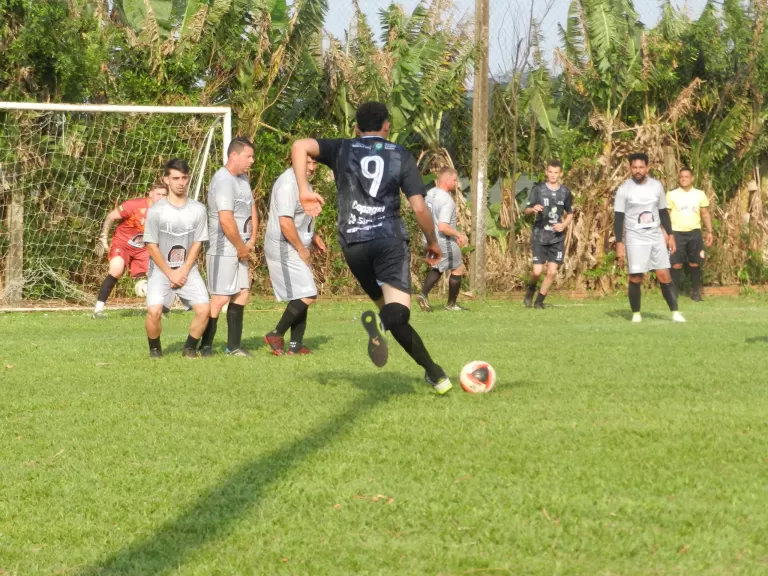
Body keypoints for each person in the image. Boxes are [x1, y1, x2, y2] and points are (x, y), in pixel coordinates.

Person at [290, 101, 453, 394]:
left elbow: (300, 145)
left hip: (353, 245)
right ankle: (380, 325)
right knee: (397, 314)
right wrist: (431, 241)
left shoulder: (342, 148)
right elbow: (419, 207)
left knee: (393, 314)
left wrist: (304, 189)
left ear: (356, 127)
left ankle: (436, 374)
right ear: (387, 127)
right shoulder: (400, 155)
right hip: (388, 240)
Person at [143, 159, 210, 358]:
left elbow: (198, 242)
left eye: (184, 178)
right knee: (154, 312)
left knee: (204, 309)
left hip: (187, 270)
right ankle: (155, 350)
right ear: (166, 180)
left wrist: (183, 270)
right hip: (161, 270)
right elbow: (151, 245)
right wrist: (170, 273)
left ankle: (189, 348)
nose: (181, 182)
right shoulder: (156, 211)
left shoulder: (198, 209)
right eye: (176, 178)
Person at [198, 137, 257, 357]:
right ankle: (205, 347)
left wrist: (251, 239)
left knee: (242, 293)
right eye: (248, 156)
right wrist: (240, 246)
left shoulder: (243, 179)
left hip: (241, 246)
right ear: (234, 155)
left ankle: (233, 347)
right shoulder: (223, 181)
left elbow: (252, 208)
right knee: (220, 298)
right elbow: (226, 220)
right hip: (223, 248)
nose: (252, 160)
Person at [263, 157, 326, 355]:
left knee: (302, 293)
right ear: (294, 160)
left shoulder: (301, 181)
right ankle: (276, 333)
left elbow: (299, 216)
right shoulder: (288, 184)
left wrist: (312, 236)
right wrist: (302, 249)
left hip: (295, 244)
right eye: (307, 162)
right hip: (285, 246)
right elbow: (285, 223)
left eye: (314, 163)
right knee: (308, 293)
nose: (312, 167)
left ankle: (295, 345)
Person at [614, 152, 685, 323]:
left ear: (647, 168)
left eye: (641, 167)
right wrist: (619, 242)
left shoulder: (657, 186)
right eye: (634, 167)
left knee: (664, 275)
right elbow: (618, 218)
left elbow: (662, 213)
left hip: (655, 236)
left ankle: (675, 312)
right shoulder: (624, 189)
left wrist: (670, 235)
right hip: (635, 238)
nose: (638, 170)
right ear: (630, 168)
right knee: (636, 276)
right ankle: (636, 314)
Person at [92, 182, 168, 318]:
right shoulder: (134, 205)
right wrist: (103, 237)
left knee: (156, 274)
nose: (161, 197)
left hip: (144, 247)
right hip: (122, 243)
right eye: (158, 194)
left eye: (164, 195)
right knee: (116, 270)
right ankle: (97, 311)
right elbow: (111, 216)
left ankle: (157, 311)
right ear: (150, 194)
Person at [523, 160, 574, 308]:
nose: (552, 175)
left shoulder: (565, 192)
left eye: (556, 172)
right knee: (537, 271)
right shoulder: (538, 189)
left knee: (552, 272)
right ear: (546, 172)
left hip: (556, 238)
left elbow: (570, 213)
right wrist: (533, 209)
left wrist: (563, 225)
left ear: (560, 174)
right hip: (540, 235)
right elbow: (526, 210)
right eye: (550, 172)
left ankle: (539, 302)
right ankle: (531, 288)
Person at [416, 166, 468, 312]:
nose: (456, 183)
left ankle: (423, 295)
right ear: (446, 180)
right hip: (443, 240)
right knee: (457, 268)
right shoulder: (447, 200)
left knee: (438, 266)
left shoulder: (430, 193)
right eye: (454, 180)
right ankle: (451, 304)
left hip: (428, 238)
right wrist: (459, 235)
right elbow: (443, 226)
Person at [667, 167, 714, 301]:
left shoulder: (700, 194)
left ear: (692, 178)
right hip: (676, 233)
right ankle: (673, 293)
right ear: (679, 178)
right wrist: (665, 232)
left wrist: (710, 231)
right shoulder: (672, 194)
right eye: (681, 177)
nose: (683, 179)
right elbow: (666, 214)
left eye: (686, 176)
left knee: (695, 263)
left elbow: (705, 213)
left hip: (694, 233)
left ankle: (695, 293)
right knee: (676, 263)